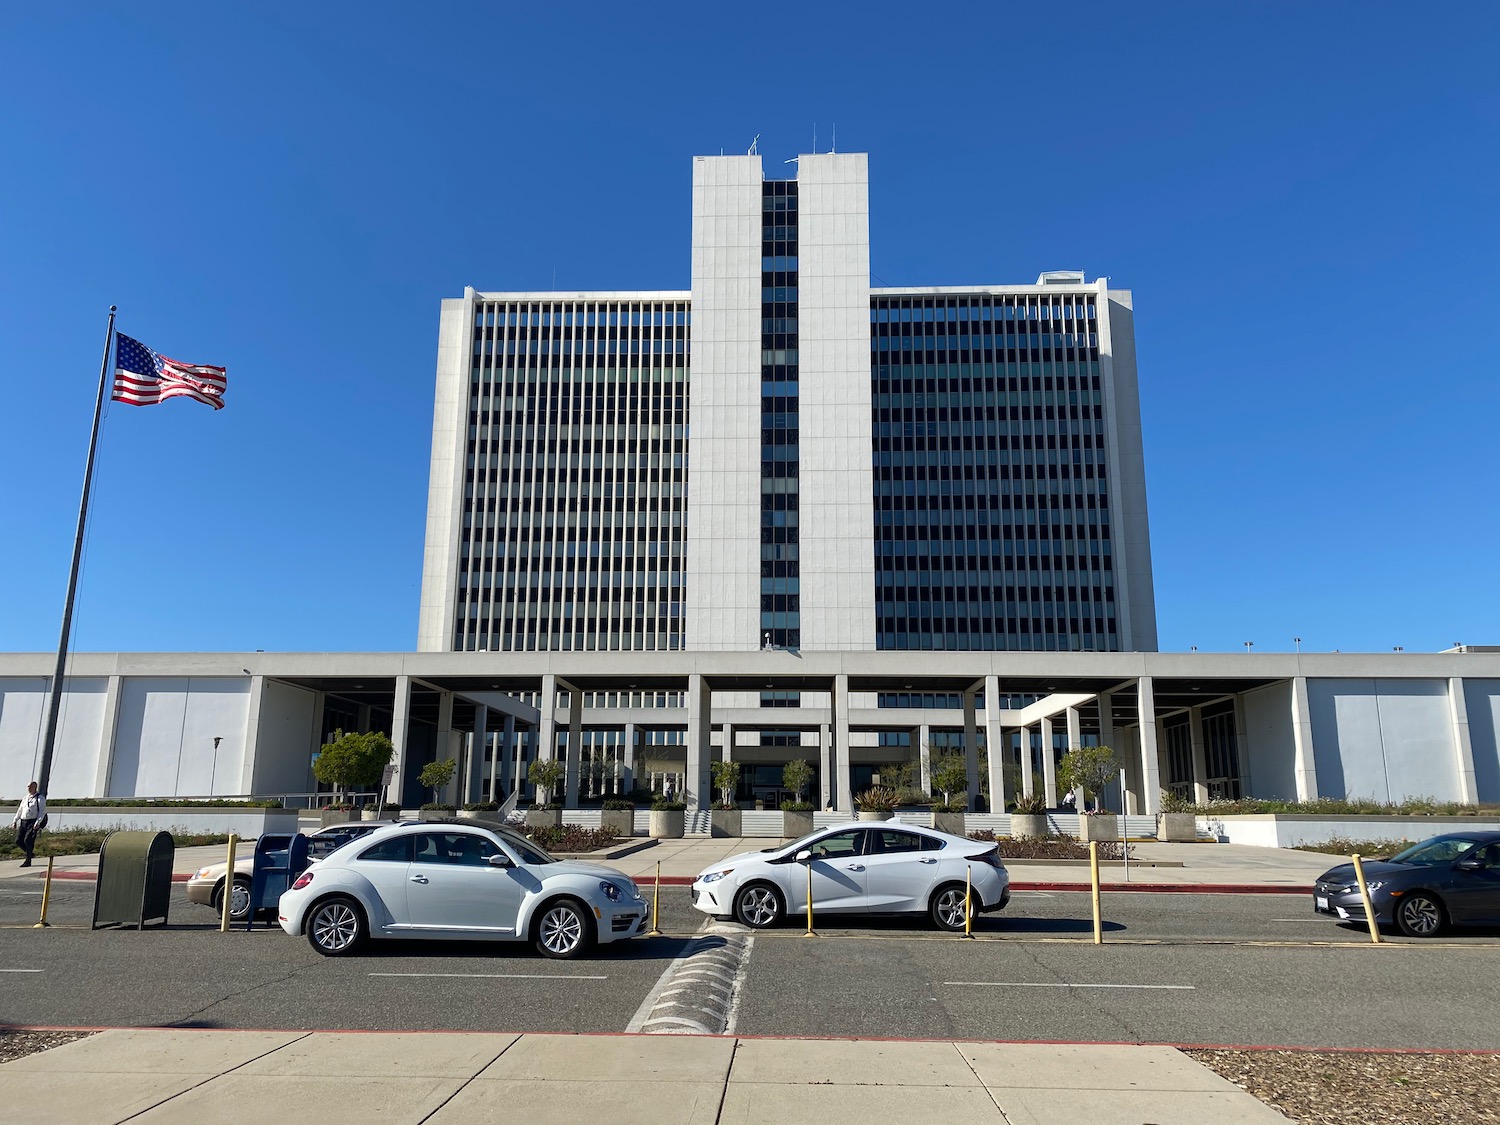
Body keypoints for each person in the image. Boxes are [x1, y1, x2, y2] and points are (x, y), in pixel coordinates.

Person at [12, 781, 45, 867]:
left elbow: (41, 812)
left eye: (30, 787)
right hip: (23, 821)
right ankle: (30, 853)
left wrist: (38, 822)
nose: (29, 788)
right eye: (28, 787)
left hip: (32, 822)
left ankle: (28, 860)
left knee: (28, 840)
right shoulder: (25, 798)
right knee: (18, 840)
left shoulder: (40, 798)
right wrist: (15, 821)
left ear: (35, 787)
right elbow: (20, 810)